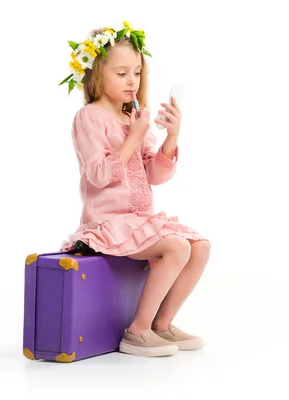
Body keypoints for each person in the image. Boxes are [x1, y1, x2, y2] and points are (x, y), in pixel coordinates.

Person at [58, 22, 211, 357]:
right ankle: (137, 332)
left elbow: (154, 175)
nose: (132, 81)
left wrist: (171, 137)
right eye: (122, 73)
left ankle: (162, 325)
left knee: (199, 247)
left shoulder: (134, 118)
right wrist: (133, 137)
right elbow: (98, 174)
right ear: (97, 74)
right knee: (176, 248)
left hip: (138, 220)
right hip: (107, 223)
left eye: (138, 73)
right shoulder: (89, 117)